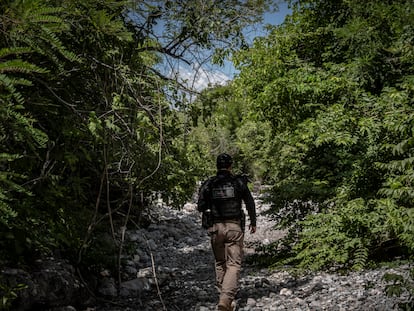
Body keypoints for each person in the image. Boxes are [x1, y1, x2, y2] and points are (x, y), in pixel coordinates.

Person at [197, 153, 257, 311]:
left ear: (217, 166)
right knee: (234, 264)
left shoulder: (209, 183)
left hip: (216, 228)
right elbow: (250, 202)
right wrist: (253, 222)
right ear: (231, 166)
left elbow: (201, 206)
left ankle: (225, 298)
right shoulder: (238, 182)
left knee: (220, 262)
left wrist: (214, 201)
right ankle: (226, 298)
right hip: (234, 227)